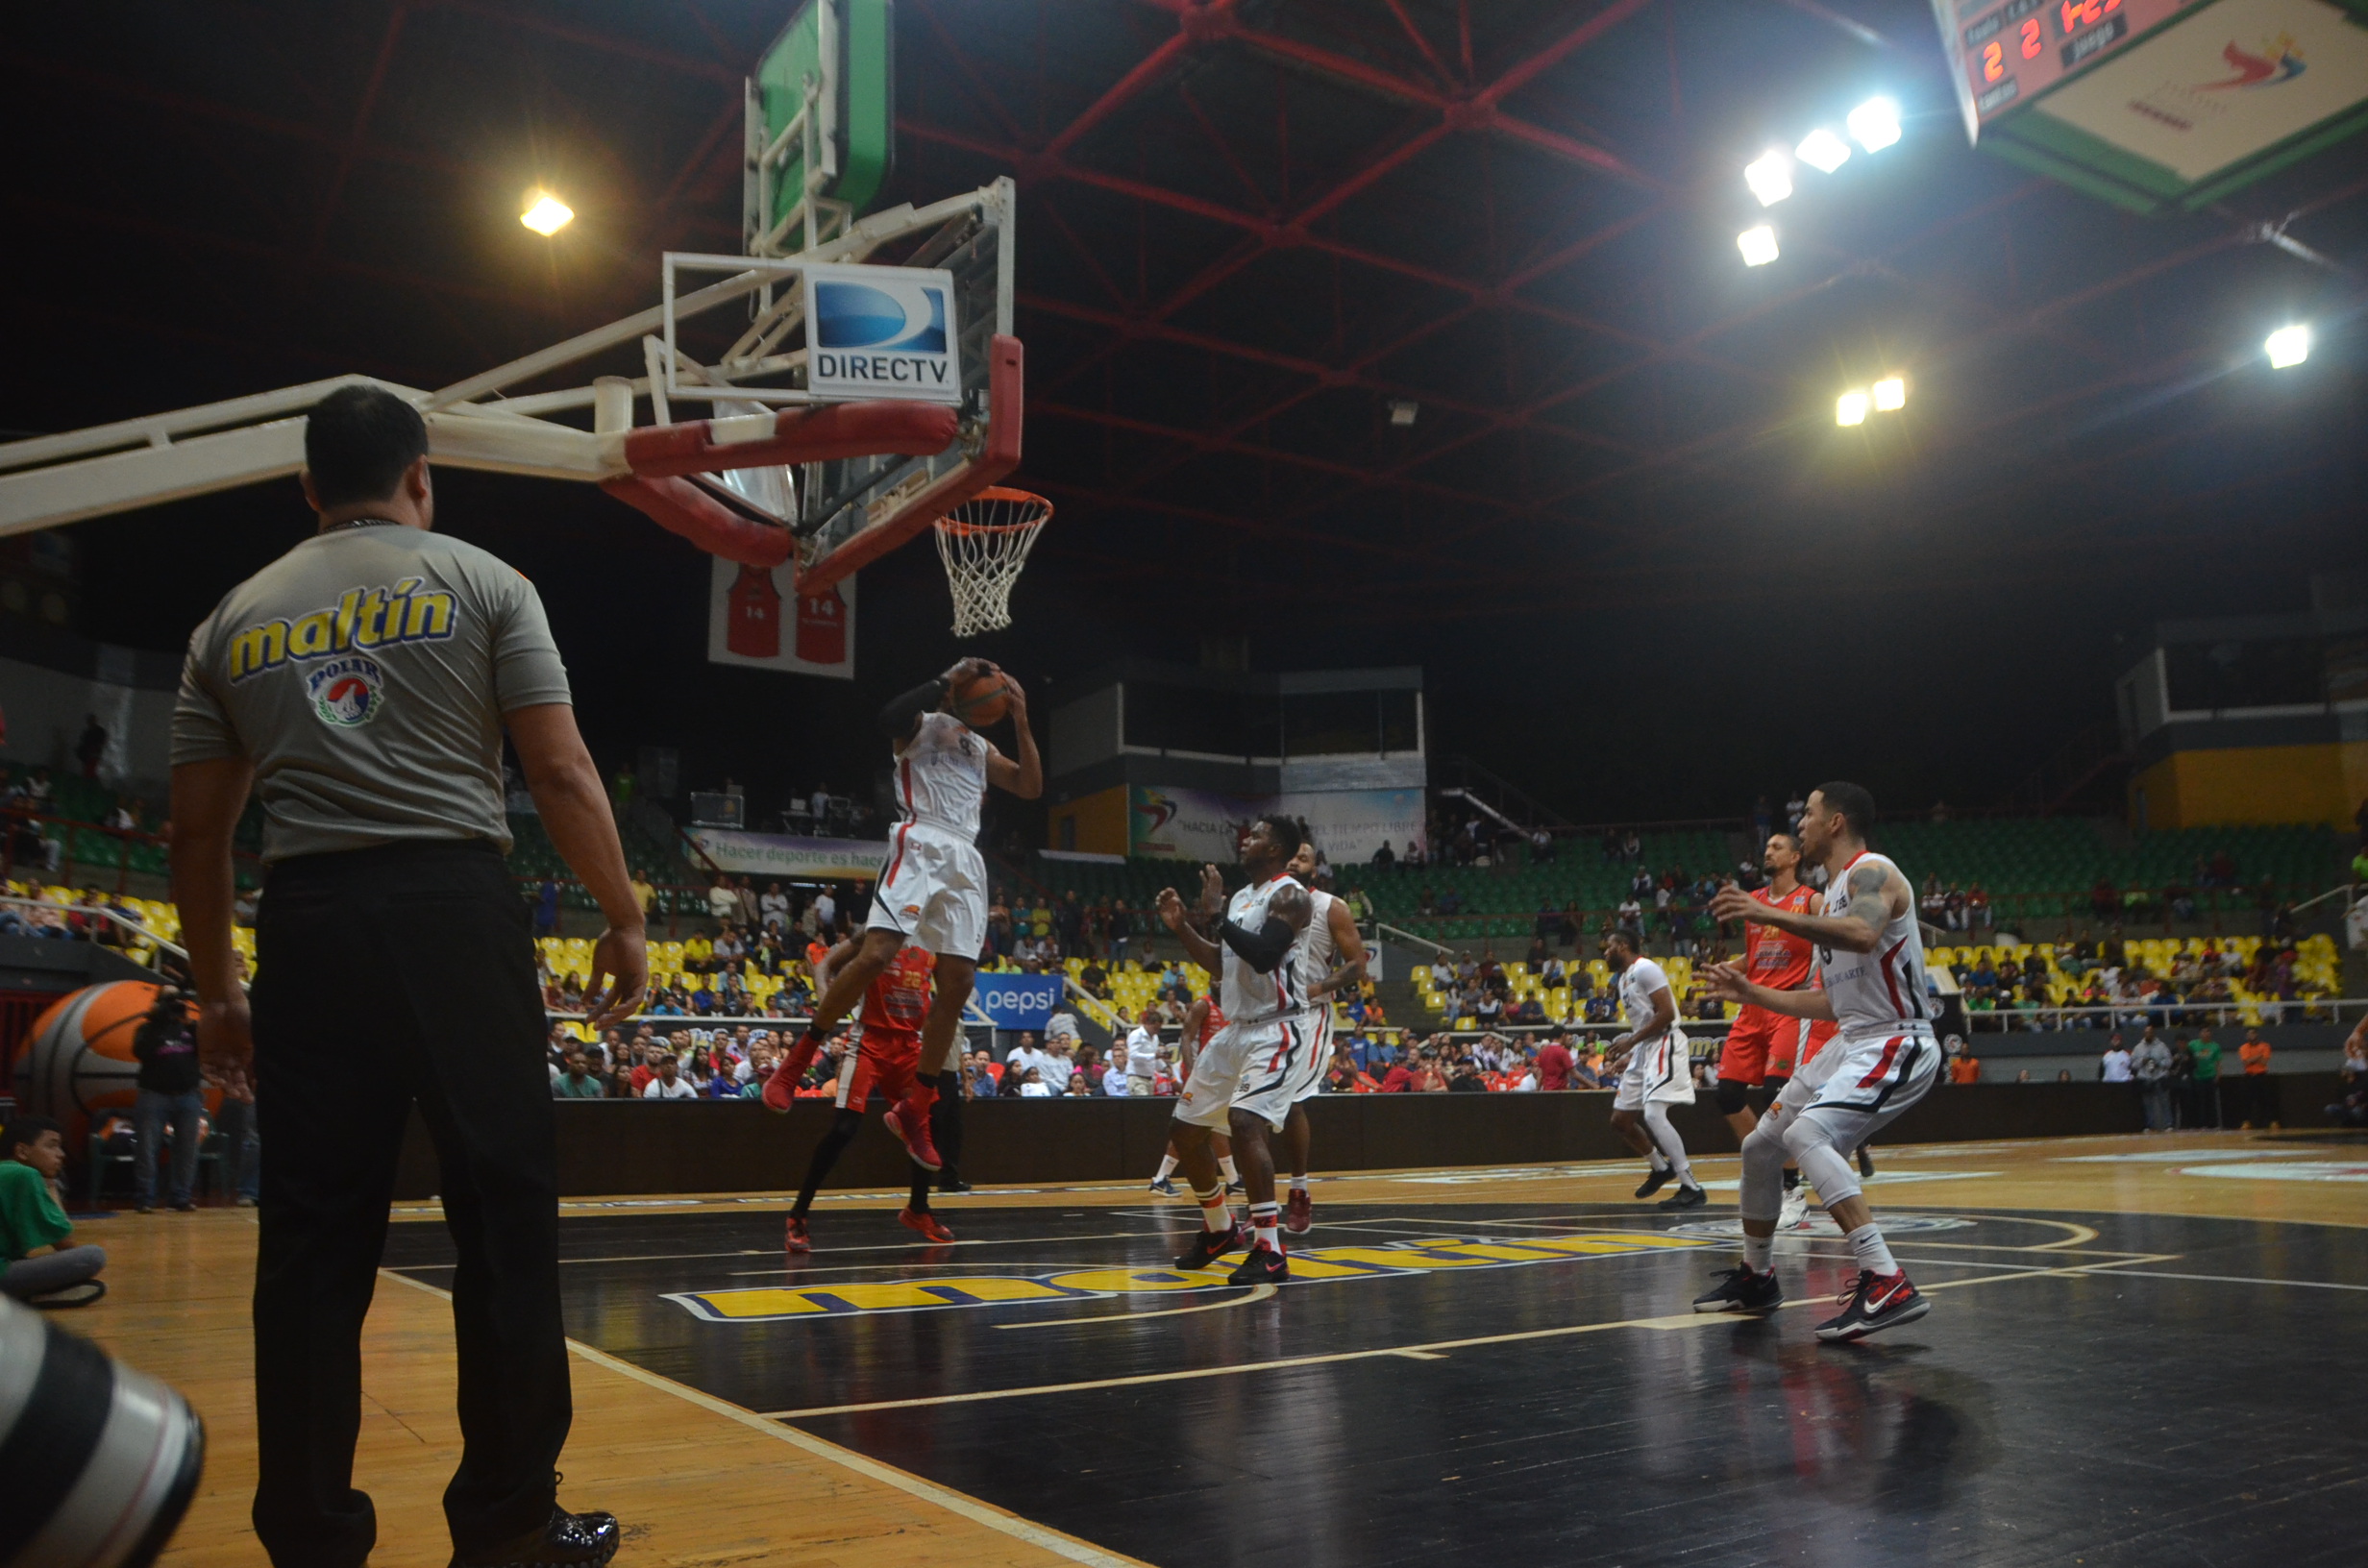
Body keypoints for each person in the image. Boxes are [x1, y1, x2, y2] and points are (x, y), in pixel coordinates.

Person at [169, 384, 637, 1567]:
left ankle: (312, 1539)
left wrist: (221, 994)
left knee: (314, 1243)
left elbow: (196, 836)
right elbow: (560, 770)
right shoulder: (485, 582)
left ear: (310, 489)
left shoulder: (231, 618)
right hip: (450, 912)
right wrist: (622, 911)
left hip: (311, 923)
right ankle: (510, 1524)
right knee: (504, 1223)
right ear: (421, 478)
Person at [763, 658, 1042, 1179]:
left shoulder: (982, 748)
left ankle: (916, 1105)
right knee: (877, 955)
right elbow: (886, 716)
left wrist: (1021, 718)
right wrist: (947, 678)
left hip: (965, 855)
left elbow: (1030, 786)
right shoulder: (918, 725)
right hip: (919, 839)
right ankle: (797, 1058)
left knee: (958, 984)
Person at [1695, 782, 1941, 1341]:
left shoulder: (1871, 872)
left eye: (1806, 814)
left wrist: (1766, 912)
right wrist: (1753, 993)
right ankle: (1758, 1276)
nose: (1798, 822)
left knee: (1807, 1134)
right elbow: (1830, 1000)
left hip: (1895, 1040)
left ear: (1835, 822)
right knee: (1760, 1146)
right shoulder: (1831, 892)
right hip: (1850, 1039)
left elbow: (1863, 932)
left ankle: (1887, 1278)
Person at [1158, 815, 1315, 1283]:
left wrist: (1217, 918)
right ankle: (1220, 1229)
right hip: (1235, 1029)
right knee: (1185, 1131)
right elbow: (1223, 963)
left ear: (1278, 850)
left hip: (1276, 1027)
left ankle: (1270, 1249)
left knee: (1245, 1122)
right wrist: (1185, 927)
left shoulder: (1290, 895)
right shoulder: (1244, 898)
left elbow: (1265, 955)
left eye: (1259, 834)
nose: (1247, 838)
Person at [782, 940, 952, 1251]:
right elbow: (824, 959)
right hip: (868, 1042)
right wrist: (826, 997)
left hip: (910, 1044)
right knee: (844, 1129)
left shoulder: (936, 941)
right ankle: (798, 1214)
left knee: (932, 1121)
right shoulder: (883, 929)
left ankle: (918, 1208)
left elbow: (947, 998)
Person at [1712, 832, 1832, 1230]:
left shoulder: (1812, 900)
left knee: (1777, 1094)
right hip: (1752, 1007)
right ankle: (1766, 1160)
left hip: (1787, 1007)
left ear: (1796, 857)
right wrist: (1731, 971)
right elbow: (1757, 952)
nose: (1768, 852)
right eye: (1765, 848)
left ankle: (1791, 1187)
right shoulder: (1755, 901)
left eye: (1777, 847)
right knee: (1727, 1094)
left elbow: (1833, 943)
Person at [1274, 839, 1368, 1236]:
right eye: (1290, 855)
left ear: (1314, 868)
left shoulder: (1332, 906)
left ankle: (1299, 1190)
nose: (1296, 861)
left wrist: (1316, 989)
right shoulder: (1261, 903)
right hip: (1267, 1015)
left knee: (1291, 1100)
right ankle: (1259, 1204)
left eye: (1304, 857)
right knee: (1248, 1110)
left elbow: (1358, 965)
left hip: (1310, 1014)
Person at [1598, 928, 1705, 1212]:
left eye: (1608, 948)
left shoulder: (1646, 969)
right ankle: (1660, 1168)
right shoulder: (1622, 979)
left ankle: (1691, 1186)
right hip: (1645, 1049)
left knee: (1655, 1114)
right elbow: (1644, 1021)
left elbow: (1667, 1013)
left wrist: (1630, 1042)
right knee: (1620, 1121)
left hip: (1665, 1042)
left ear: (1622, 945)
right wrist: (1632, 1052)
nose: (1605, 953)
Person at [1, 1116, 108, 1306]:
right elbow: (64, 1242)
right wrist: (51, 1187)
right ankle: (25, 1298)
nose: (61, 1154)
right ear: (22, 1151)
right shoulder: (24, 1175)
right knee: (93, 1256)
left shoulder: (8, 1173)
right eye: (52, 1146)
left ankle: (28, 1296)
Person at [1148, 995, 1241, 1195]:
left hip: (1220, 1073)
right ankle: (1160, 1178)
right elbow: (1187, 1036)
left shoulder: (1233, 1005)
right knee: (1189, 1122)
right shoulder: (1203, 1005)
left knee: (1214, 1123)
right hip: (1202, 1072)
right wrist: (1191, 1068)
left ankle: (1233, 1180)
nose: (1219, 980)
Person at [132, 985, 206, 1213]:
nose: (173, 1005)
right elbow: (140, 1052)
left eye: (176, 1000)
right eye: (168, 1000)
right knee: (147, 1148)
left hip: (188, 1095)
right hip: (155, 1095)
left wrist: (189, 1024)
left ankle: (181, 1197)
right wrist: (157, 1022)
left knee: (187, 1150)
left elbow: (205, 1050)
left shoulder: (190, 1029)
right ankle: (145, 1198)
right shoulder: (146, 1028)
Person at [2132, 1026, 2174, 1131]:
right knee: (2147, 1103)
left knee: (2164, 1101)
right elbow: (2132, 1064)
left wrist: (2159, 1064)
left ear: (2153, 1034)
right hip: (2145, 1078)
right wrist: (2142, 1061)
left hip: (2159, 1077)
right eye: (2146, 1033)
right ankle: (2149, 1125)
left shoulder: (2162, 1046)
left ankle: (2168, 1124)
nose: (2148, 1035)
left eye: (2150, 1033)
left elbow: (2169, 1061)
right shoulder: (2138, 1048)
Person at [2236, 1026, 2279, 1129]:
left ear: (2257, 1034)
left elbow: (2264, 1062)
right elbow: (2246, 1062)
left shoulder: (2265, 1046)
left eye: (2253, 1033)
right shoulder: (2243, 1047)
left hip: (2261, 1075)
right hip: (2249, 1076)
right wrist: (2258, 1056)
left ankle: (2272, 1121)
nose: (2251, 1036)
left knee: (2266, 1099)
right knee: (2247, 1100)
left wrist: (2252, 1059)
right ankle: (2246, 1122)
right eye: (2249, 1034)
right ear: (2246, 1036)